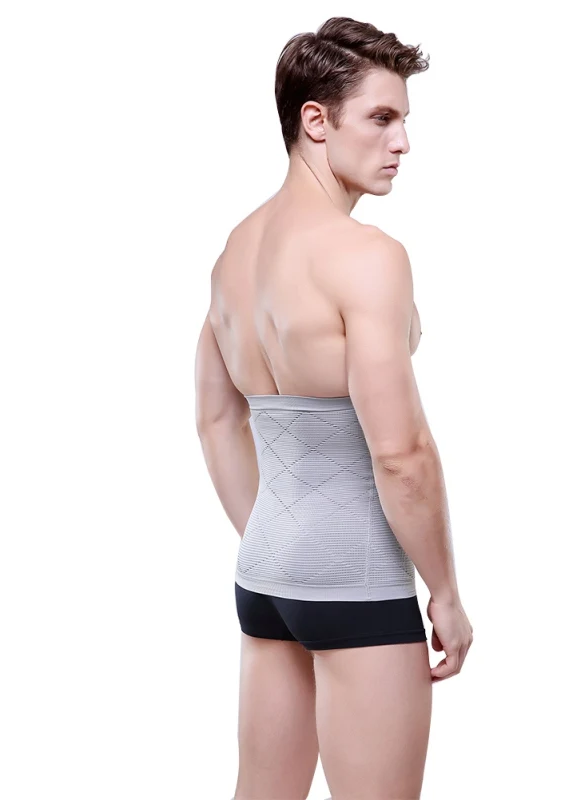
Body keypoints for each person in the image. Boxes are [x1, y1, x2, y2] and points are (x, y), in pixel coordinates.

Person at [195, 16, 473, 800]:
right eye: (381, 119)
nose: (402, 143)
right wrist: (445, 593)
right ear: (315, 121)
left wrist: (280, 540)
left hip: (266, 575)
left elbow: (216, 418)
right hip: (359, 581)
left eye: (404, 121)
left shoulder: (235, 251)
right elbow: (401, 453)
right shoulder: (368, 258)